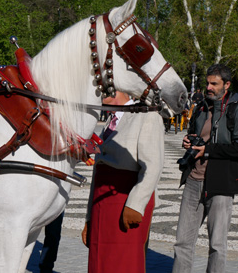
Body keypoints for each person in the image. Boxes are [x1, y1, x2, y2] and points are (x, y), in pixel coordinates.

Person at [81, 91, 164, 273]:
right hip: (102, 203)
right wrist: (89, 218)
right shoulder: (111, 121)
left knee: (123, 262)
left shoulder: (147, 114)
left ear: (124, 88)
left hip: (125, 199)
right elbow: (97, 171)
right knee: (99, 261)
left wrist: (136, 204)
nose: (99, 89)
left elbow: (153, 166)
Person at [172, 64, 238, 273]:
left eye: (214, 84)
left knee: (217, 245)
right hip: (193, 180)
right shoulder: (201, 107)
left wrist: (207, 150)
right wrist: (188, 141)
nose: (208, 87)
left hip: (220, 184)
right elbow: (195, 133)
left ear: (226, 85)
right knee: (182, 241)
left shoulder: (235, 109)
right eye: (207, 82)